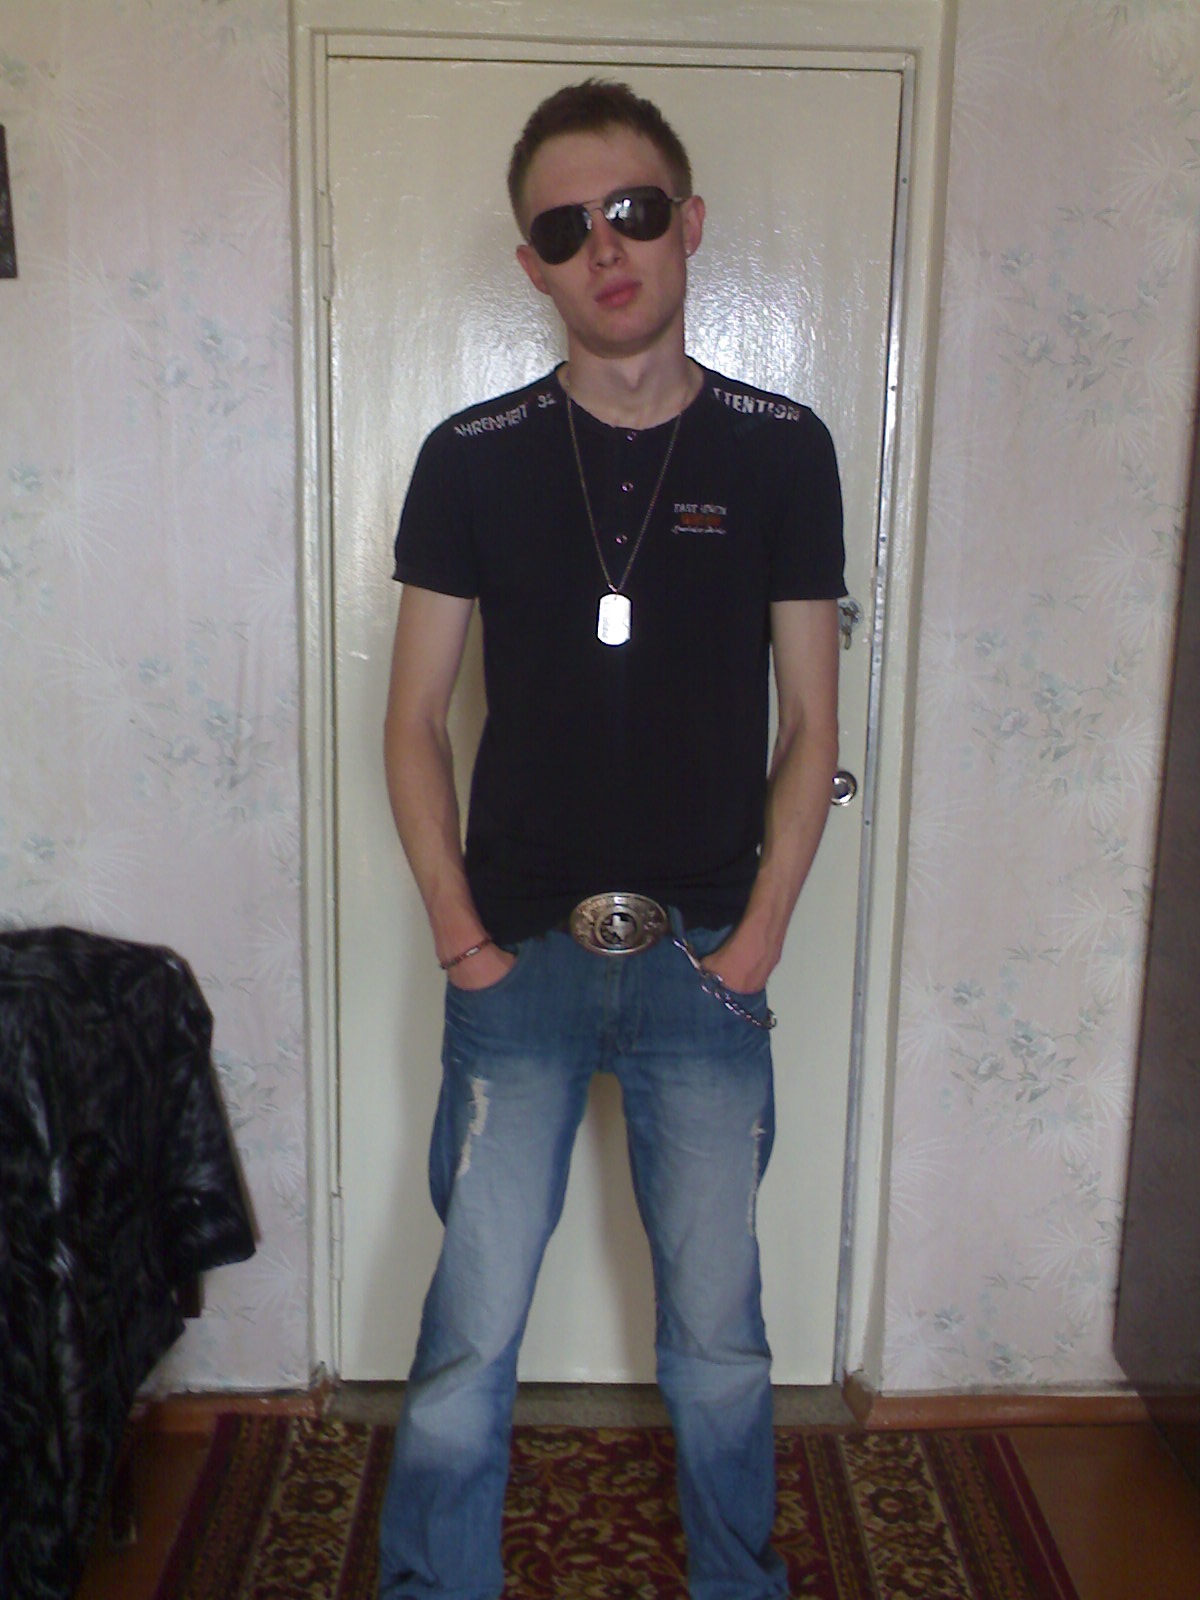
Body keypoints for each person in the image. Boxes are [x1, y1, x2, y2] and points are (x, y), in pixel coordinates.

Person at [378, 78, 845, 1600]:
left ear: (688, 222)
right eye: (566, 226)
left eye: (634, 211)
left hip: (707, 961)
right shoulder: (470, 456)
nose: (607, 247)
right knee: (470, 1334)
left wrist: (758, 941)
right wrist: (462, 940)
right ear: (532, 264)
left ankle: (738, 1581)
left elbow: (812, 724)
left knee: (718, 1333)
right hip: (517, 960)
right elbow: (413, 720)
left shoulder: (783, 451)